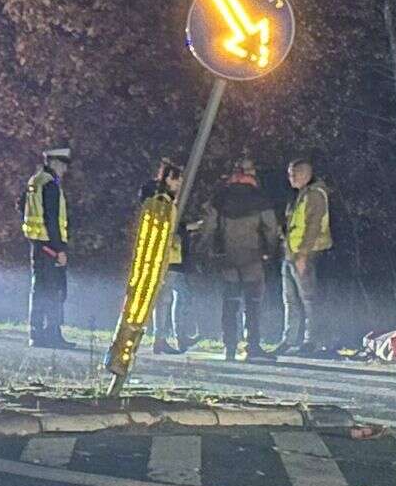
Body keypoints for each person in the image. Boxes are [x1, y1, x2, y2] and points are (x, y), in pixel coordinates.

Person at [198, 155, 280, 362]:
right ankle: (252, 345)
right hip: (253, 258)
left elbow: (209, 227)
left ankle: (230, 347)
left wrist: (206, 250)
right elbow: (271, 228)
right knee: (253, 304)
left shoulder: (220, 197)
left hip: (228, 258)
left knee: (230, 302)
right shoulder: (260, 198)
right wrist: (271, 251)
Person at [21, 145, 73, 348]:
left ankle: (36, 333)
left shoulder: (35, 181)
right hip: (49, 246)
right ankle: (52, 333)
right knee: (53, 290)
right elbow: (51, 219)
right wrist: (60, 249)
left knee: (39, 289)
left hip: (37, 244)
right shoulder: (50, 184)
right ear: (54, 163)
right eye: (63, 165)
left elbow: (21, 206)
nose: (65, 170)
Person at [136, 158, 189, 353]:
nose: (180, 184)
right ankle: (158, 339)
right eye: (177, 180)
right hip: (165, 257)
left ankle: (156, 339)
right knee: (162, 299)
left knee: (159, 299)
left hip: (159, 256)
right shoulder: (164, 201)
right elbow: (167, 228)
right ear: (168, 179)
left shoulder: (155, 200)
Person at [281, 156, 332, 354]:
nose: (290, 178)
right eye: (289, 174)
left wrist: (302, 254)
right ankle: (289, 339)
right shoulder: (300, 195)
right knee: (290, 299)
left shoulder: (315, 195)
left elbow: (313, 226)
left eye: (294, 174)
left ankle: (312, 340)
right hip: (290, 254)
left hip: (306, 254)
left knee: (309, 299)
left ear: (305, 174)